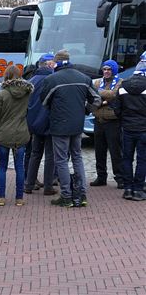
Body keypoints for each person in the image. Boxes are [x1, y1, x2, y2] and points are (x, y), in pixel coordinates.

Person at [40, 50, 101, 207]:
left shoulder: (52, 79)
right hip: (77, 124)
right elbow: (97, 99)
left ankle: (66, 196)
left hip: (59, 125)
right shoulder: (84, 78)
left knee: (61, 160)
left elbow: (44, 102)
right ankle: (81, 194)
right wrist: (85, 110)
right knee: (77, 157)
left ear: (57, 62)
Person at [0, 65, 33, 206]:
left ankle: (1, 197)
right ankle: (19, 198)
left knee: (2, 166)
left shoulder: (2, 94)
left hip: (4, 133)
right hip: (21, 132)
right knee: (19, 167)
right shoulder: (27, 92)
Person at [25, 54, 57, 196]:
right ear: (49, 65)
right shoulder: (52, 80)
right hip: (49, 122)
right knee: (50, 155)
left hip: (34, 123)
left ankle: (29, 184)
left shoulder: (31, 81)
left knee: (35, 154)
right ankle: (48, 186)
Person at [115, 52, 146, 201]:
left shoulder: (123, 85)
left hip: (127, 128)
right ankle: (139, 190)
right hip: (143, 129)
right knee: (142, 160)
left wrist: (124, 120)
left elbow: (116, 109)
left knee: (126, 158)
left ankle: (127, 189)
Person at [90, 60, 124, 188]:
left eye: (109, 69)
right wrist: (105, 100)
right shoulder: (98, 82)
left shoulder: (120, 82)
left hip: (113, 121)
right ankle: (101, 176)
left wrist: (100, 95)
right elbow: (92, 96)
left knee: (115, 151)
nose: (106, 72)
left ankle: (120, 178)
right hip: (99, 120)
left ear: (114, 71)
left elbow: (114, 94)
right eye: (104, 69)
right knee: (99, 151)